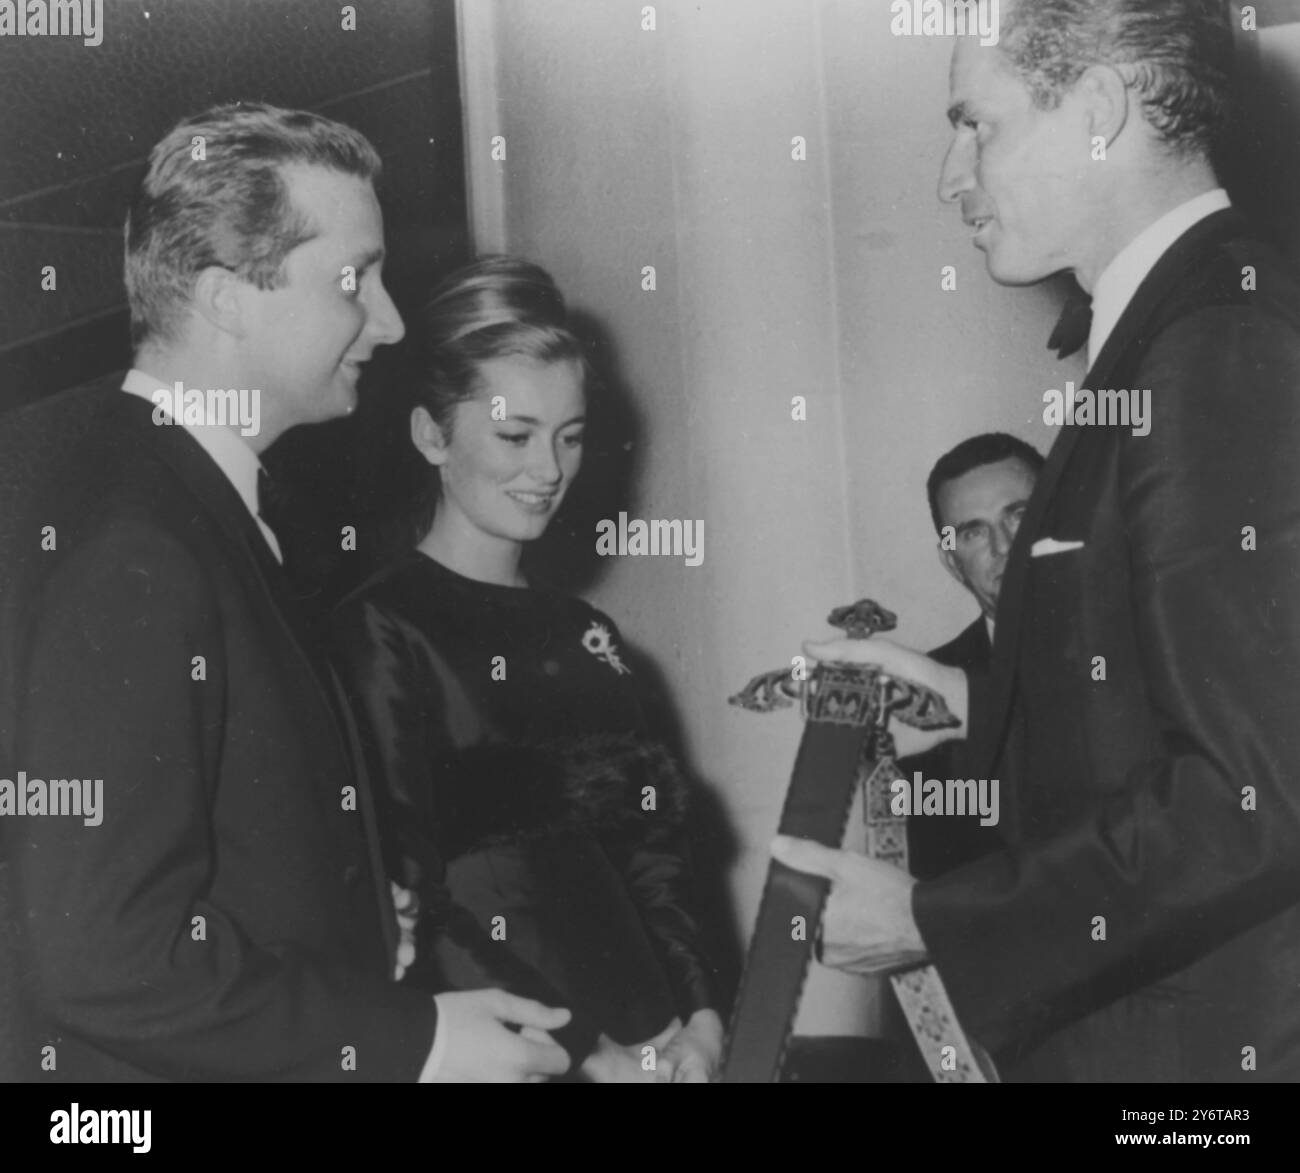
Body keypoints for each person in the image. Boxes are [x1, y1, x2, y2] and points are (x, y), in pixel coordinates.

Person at [774, 0, 1300, 1081]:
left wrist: (938, 920)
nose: (948, 177)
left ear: (1100, 109)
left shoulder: (1213, 346)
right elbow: (1191, 712)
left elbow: (1256, 794)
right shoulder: (1177, 329)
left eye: (978, 125)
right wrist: (975, 700)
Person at [0, 102, 571, 1082]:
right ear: (228, 298)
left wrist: (353, 925)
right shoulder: (140, 549)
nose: (389, 322)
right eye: (357, 280)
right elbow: (110, 961)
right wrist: (416, 1042)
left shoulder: (176, 502)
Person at [332, 257, 725, 1083]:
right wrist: (580, 1051)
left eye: (570, 436)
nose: (548, 470)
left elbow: (654, 851)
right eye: (515, 435)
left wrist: (701, 1016)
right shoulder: (382, 624)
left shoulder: (587, 631)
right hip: (511, 1046)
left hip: (651, 1040)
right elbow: (406, 894)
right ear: (432, 435)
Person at [901, 433, 1043, 880]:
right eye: (974, 532)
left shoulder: (1143, 648)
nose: (1005, 547)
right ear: (952, 561)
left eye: (1020, 515)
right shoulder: (924, 690)